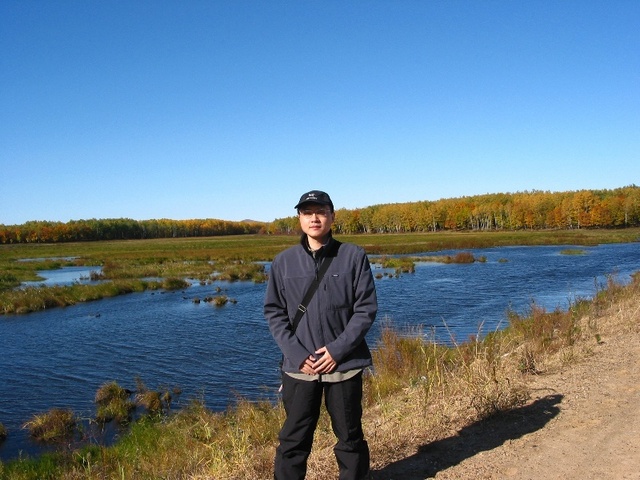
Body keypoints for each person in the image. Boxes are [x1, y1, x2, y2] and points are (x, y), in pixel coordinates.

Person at [264, 190, 378, 480]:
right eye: (307, 212)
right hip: (300, 369)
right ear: (299, 218)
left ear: (332, 216)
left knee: (350, 438)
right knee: (293, 441)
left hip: (343, 367)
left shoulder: (353, 256)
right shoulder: (283, 262)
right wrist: (298, 355)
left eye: (321, 211)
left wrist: (337, 351)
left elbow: (365, 310)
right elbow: (274, 313)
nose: (314, 217)